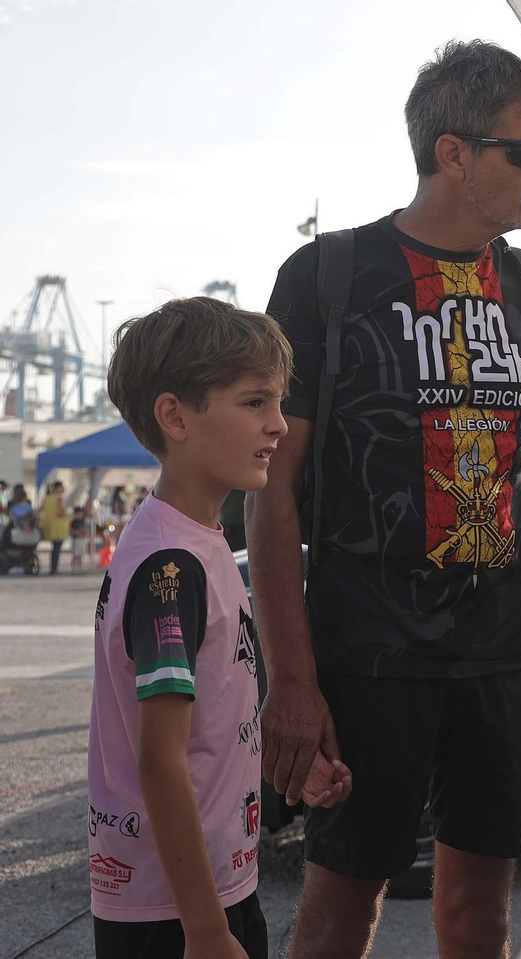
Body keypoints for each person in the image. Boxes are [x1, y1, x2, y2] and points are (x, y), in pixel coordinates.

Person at [250, 40, 521, 959]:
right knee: (338, 910)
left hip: (500, 660)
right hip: (366, 659)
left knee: (480, 913)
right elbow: (271, 494)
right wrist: (292, 680)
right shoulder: (328, 276)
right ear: (455, 154)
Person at [88, 297, 351, 959]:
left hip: (211, 886)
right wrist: (206, 931)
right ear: (175, 415)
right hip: (177, 912)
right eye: (254, 402)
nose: (280, 426)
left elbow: (207, 708)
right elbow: (160, 759)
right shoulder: (169, 567)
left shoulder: (197, 542)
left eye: (279, 401)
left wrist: (272, 762)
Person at [40, 480, 70, 574]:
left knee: (54, 547)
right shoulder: (59, 498)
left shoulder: (47, 498)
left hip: (49, 524)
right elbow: (63, 512)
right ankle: (54, 567)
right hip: (58, 525)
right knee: (57, 547)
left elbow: (41, 509)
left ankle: (53, 567)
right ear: (58, 488)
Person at [70, 505, 90, 572]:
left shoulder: (83, 521)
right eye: (78, 514)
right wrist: (78, 534)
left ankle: (80, 567)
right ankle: (73, 567)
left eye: (80, 513)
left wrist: (85, 534)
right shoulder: (74, 522)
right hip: (76, 539)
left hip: (82, 539)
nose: (79, 515)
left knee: (81, 554)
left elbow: (85, 530)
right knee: (75, 554)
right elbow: (72, 531)